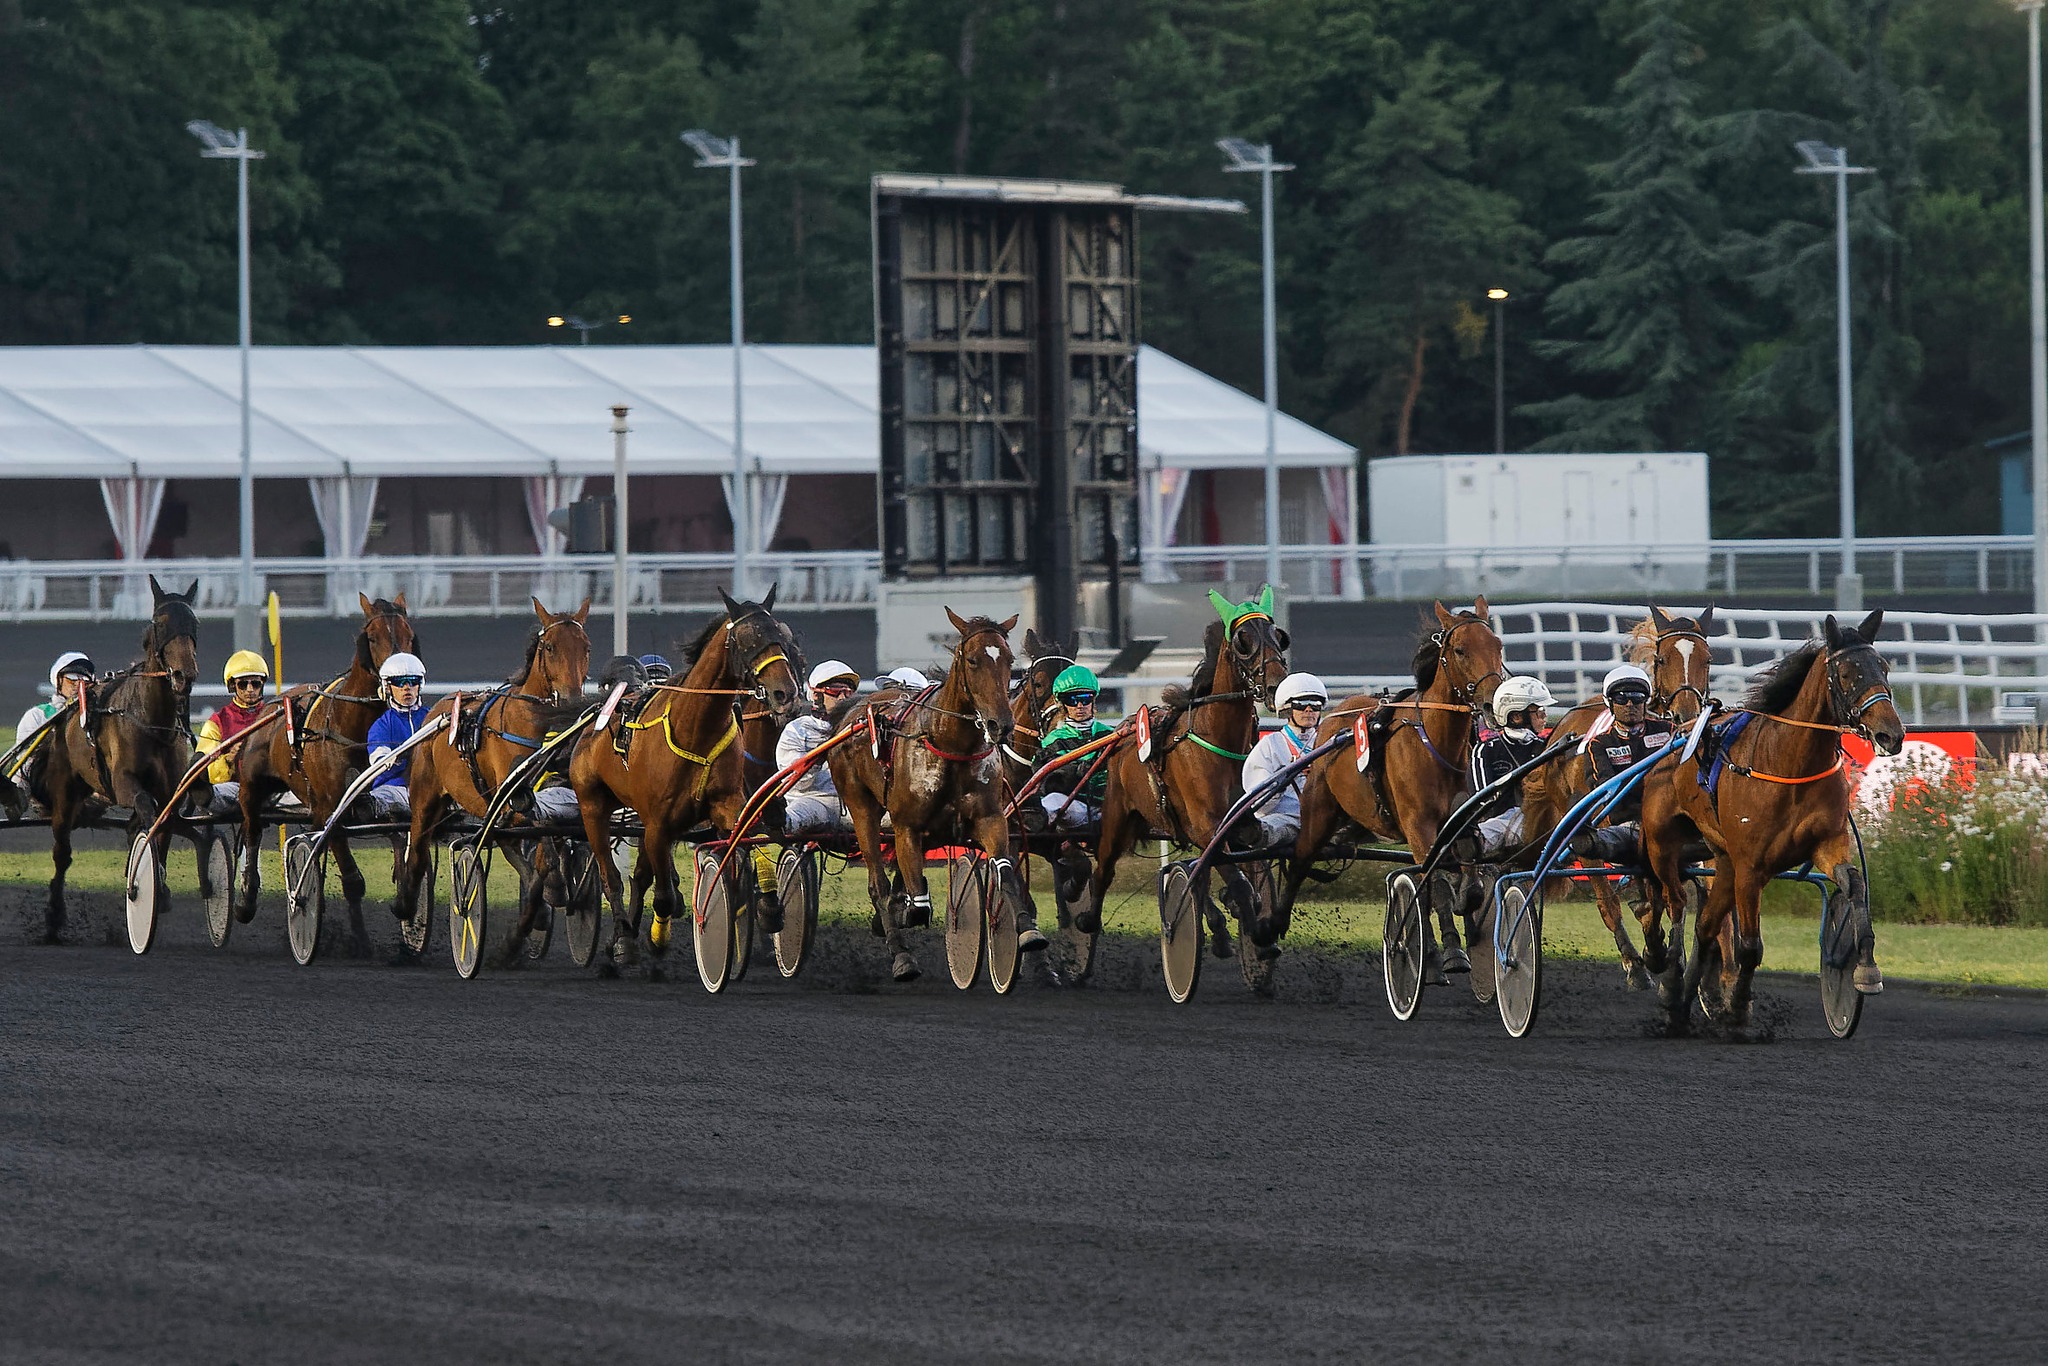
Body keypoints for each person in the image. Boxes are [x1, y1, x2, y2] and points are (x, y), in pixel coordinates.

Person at [1573, 663, 1678, 864]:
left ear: (1645, 702)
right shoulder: (1598, 744)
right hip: (1628, 823)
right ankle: (1585, 841)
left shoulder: (1669, 731)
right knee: (1599, 840)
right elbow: (1605, 788)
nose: (1630, 704)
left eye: (1638, 697)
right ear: (1610, 703)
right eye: (1621, 698)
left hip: (1673, 818)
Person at [1467, 675, 1557, 858]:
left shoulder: (1547, 747)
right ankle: (1473, 841)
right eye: (1539, 711)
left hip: (1544, 817)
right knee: (1506, 820)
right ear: (1516, 716)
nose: (1544, 717)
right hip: (1503, 818)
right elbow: (1483, 800)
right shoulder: (1487, 750)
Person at [1241, 672, 1327, 850]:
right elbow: (1258, 804)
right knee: (1270, 829)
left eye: (1315, 705)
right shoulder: (1270, 745)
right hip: (1286, 818)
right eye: (1302, 705)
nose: (1309, 710)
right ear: (1287, 709)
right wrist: (1280, 781)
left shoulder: (1328, 741)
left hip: (1325, 817)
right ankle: (1255, 835)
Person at [777, 660, 860, 836]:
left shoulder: (860, 729)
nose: (843, 698)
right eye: (836, 691)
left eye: (848, 692)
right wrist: (820, 754)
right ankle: (777, 821)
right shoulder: (797, 730)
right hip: (814, 801)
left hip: (856, 804)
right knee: (798, 815)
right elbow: (798, 784)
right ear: (816, 695)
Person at [1030, 665, 1116, 832]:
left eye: (1085, 698)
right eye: (1071, 700)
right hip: (1076, 808)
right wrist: (1076, 771)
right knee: (1051, 801)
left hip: (1112, 806)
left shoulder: (1110, 734)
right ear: (1063, 705)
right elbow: (1049, 782)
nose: (1079, 705)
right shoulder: (1054, 739)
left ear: (1093, 701)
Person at [10, 652, 94, 812]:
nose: (78, 685)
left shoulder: (91, 717)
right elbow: (25, 758)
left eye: (85, 680)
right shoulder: (38, 715)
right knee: (26, 763)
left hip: (81, 782)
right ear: (59, 681)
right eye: (72, 679)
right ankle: (17, 800)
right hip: (43, 782)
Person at [199, 650, 273, 815]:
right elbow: (210, 773)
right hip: (235, 788)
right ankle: (204, 796)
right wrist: (228, 760)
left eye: (255, 684)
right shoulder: (216, 722)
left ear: (262, 685)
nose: (249, 690)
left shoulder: (273, 716)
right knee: (217, 793)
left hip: (271, 789)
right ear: (232, 686)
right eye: (242, 684)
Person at [360, 652, 429, 821]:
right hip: (395, 788)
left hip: (429, 786)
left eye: (413, 681)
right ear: (387, 687)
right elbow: (378, 758)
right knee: (383, 797)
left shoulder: (432, 717)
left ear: (420, 685)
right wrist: (391, 758)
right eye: (399, 682)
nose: (407, 687)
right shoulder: (382, 725)